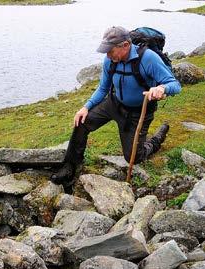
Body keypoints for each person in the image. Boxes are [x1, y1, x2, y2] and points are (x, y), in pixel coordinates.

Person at [51, 26, 181, 184]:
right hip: (113, 104)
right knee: (82, 122)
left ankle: (155, 140)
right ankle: (70, 166)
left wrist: (162, 88)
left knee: (133, 157)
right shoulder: (110, 60)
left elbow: (175, 85)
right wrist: (86, 107)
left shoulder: (148, 58)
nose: (107, 54)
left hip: (138, 113)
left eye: (110, 50)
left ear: (125, 45)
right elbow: (103, 88)